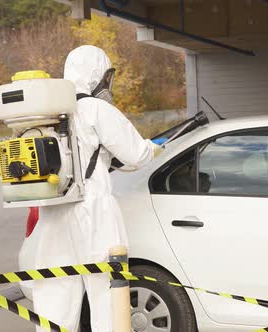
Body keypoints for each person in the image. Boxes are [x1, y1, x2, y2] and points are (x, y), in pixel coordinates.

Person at [32, 45, 161, 332]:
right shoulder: (96, 109)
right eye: (106, 76)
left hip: (54, 211)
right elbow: (136, 155)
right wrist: (155, 148)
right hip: (93, 209)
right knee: (107, 290)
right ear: (96, 76)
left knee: (56, 291)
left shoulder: (51, 110)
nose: (107, 83)